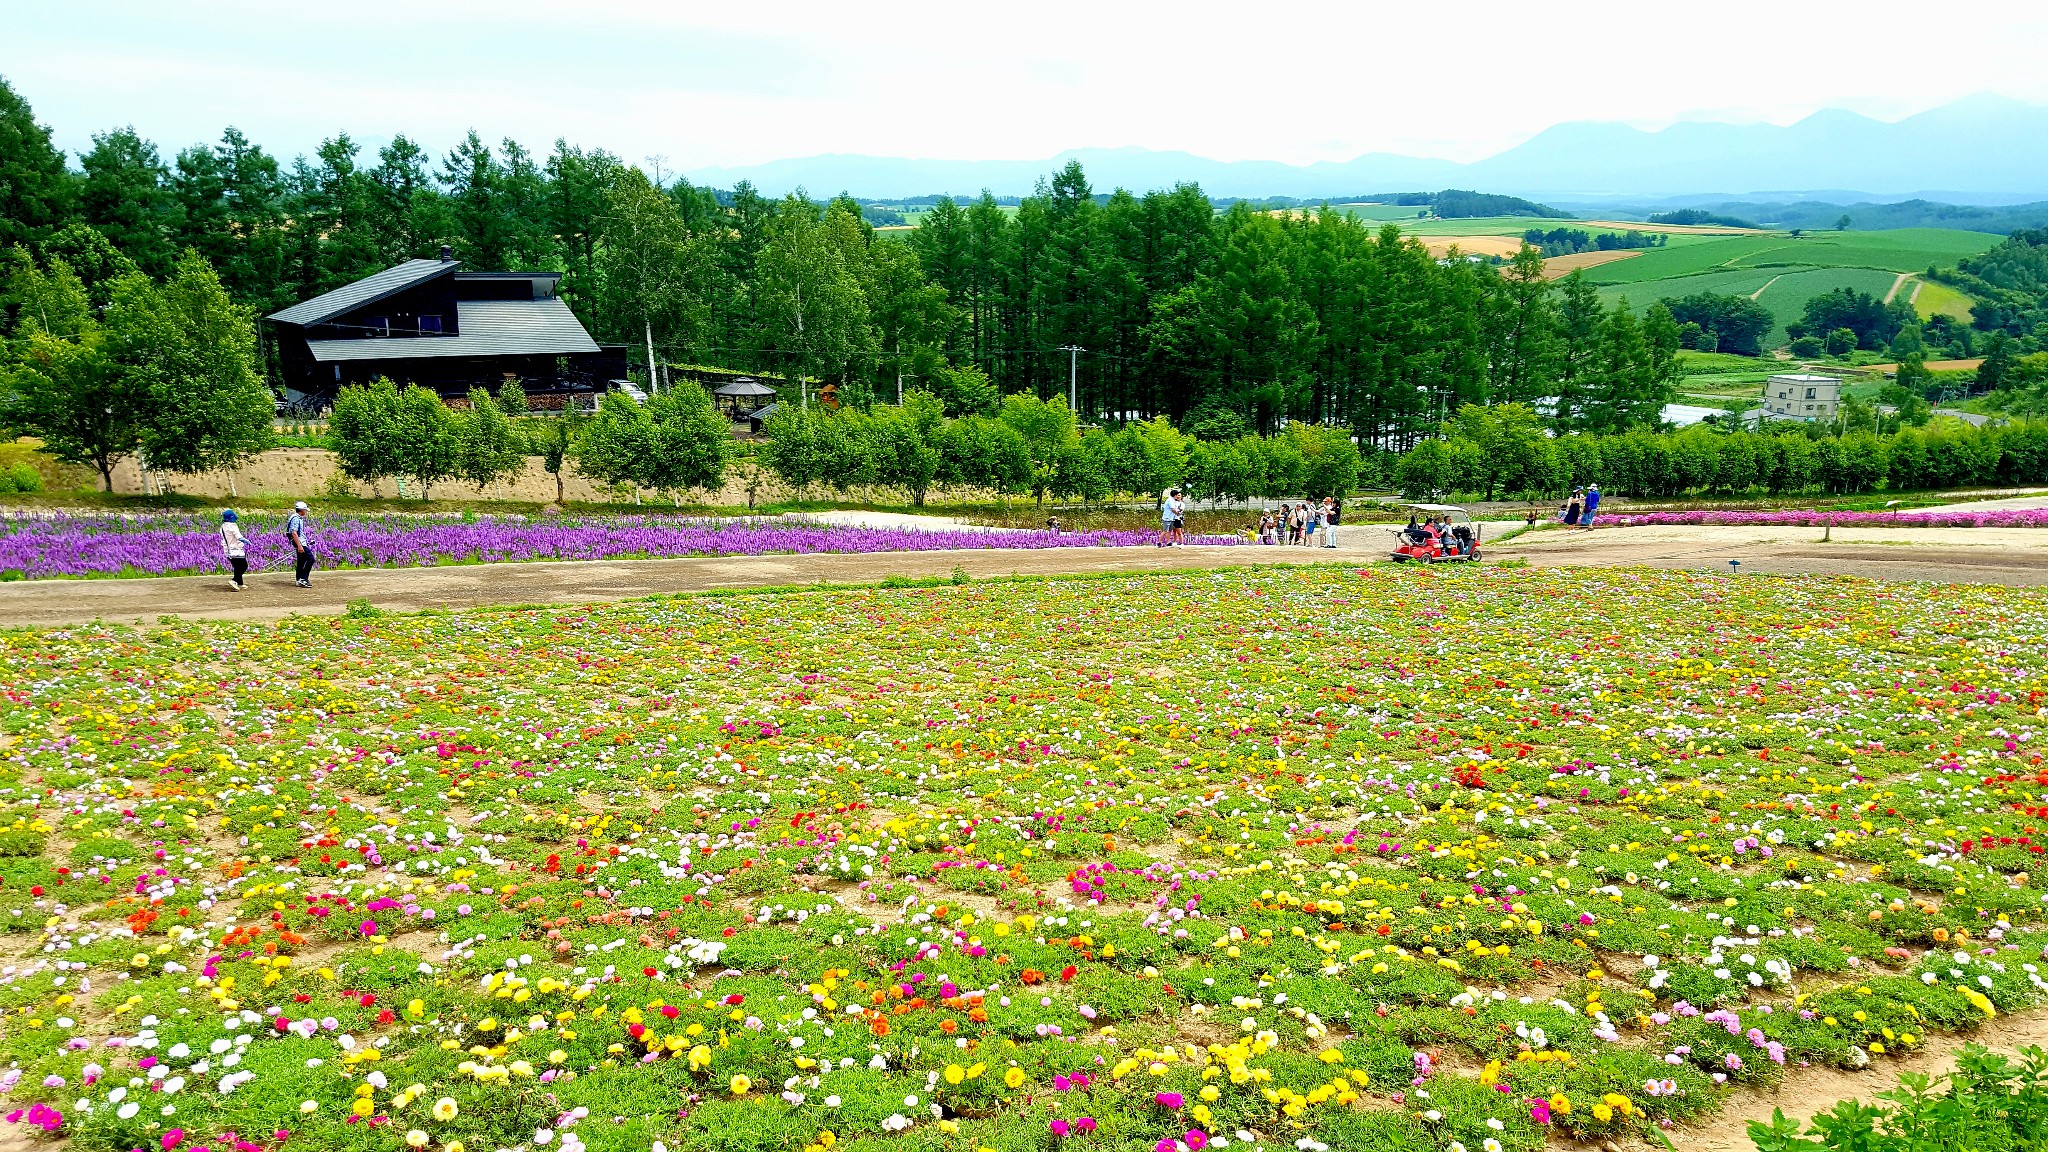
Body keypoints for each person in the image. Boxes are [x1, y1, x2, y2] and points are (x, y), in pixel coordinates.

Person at [286, 500, 317, 588]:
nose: (306, 512)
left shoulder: (296, 517)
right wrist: (299, 545)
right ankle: (303, 579)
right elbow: (294, 533)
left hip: (301, 542)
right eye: (305, 510)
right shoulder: (296, 518)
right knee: (311, 559)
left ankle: (299, 579)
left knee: (301, 560)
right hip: (299, 542)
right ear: (301, 510)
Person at [219, 509, 247, 591]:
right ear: (231, 516)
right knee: (243, 566)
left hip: (229, 549)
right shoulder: (232, 526)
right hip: (234, 550)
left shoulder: (224, 526)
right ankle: (234, 580)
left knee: (237, 566)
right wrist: (246, 541)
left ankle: (240, 583)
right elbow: (239, 537)